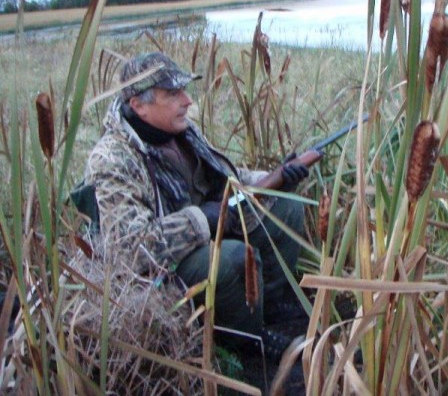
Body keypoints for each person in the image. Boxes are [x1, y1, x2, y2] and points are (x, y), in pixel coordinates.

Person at [82, 51, 309, 359]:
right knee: (231, 259)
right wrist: (203, 220)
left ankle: (270, 303)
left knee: (286, 206)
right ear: (139, 105)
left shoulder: (180, 131)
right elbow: (129, 248)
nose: (187, 101)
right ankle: (247, 342)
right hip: (165, 270)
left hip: (214, 230)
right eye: (173, 93)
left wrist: (276, 178)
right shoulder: (113, 159)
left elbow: (228, 176)